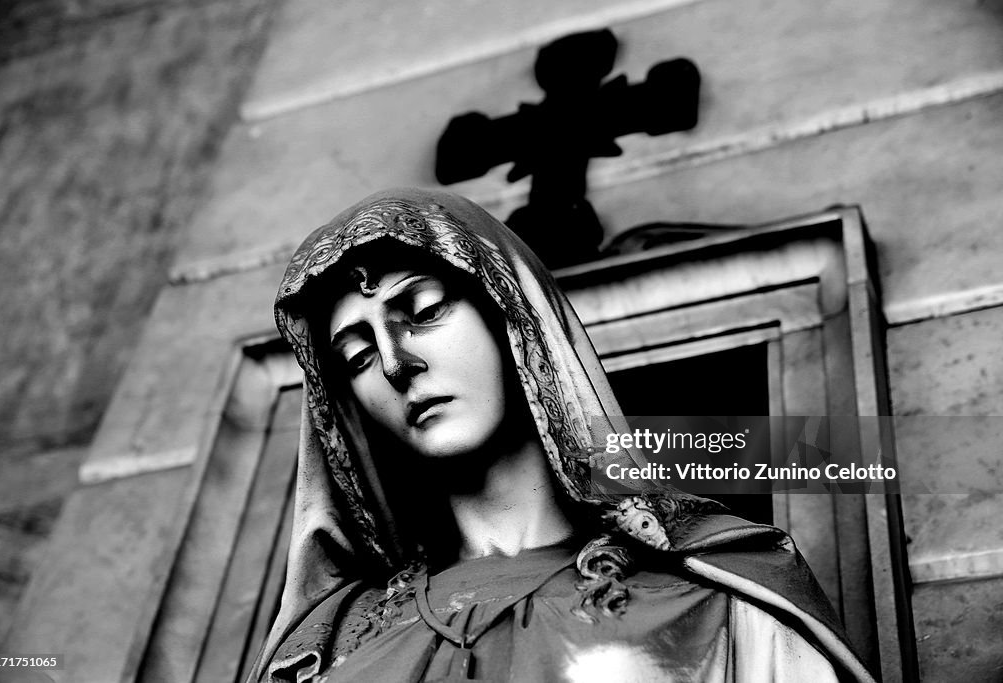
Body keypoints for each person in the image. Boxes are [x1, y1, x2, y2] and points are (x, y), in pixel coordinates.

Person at [248, 188, 874, 682]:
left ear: (513, 320)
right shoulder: (324, 649)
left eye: (425, 311)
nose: (394, 364)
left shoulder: (727, 603)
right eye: (356, 356)